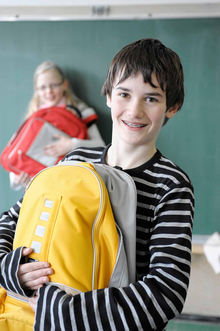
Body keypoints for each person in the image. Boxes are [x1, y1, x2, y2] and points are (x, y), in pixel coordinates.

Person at [0, 38, 194, 330]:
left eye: (151, 98)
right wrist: (12, 269)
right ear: (108, 95)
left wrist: (66, 310)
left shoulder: (171, 184)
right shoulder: (76, 160)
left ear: (172, 107)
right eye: (124, 94)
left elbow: (166, 292)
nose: (134, 110)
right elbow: (11, 221)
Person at [9, 60, 105, 190]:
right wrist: (16, 180)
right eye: (43, 87)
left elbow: (100, 145)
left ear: (64, 85)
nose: (49, 91)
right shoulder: (32, 118)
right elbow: (15, 153)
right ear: (36, 90)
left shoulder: (81, 112)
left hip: (72, 185)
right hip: (40, 188)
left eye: (54, 85)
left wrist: (71, 144)